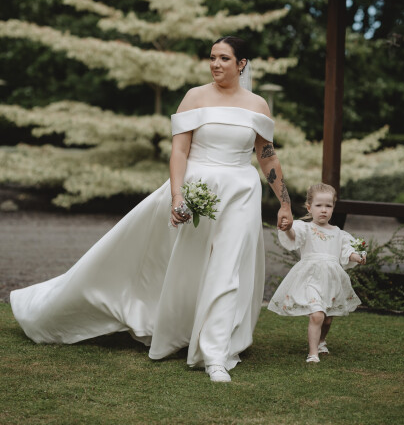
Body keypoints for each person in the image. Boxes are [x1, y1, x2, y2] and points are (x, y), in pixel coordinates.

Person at [10, 35, 293, 383]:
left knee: (228, 266)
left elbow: (267, 156)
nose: (215, 64)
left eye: (223, 58)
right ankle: (172, 327)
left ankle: (215, 354)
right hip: (197, 188)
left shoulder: (258, 106)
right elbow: (180, 152)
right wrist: (177, 197)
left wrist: (284, 202)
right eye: (212, 57)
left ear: (242, 64)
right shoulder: (195, 97)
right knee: (182, 267)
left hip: (241, 193)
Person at [268, 182, 366, 363]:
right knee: (317, 314)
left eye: (328, 206)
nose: (323, 210)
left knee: (327, 319)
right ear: (309, 208)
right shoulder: (305, 228)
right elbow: (293, 237)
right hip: (310, 278)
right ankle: (313, 353)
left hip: (332, 280)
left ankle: (321, 341)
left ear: (333, 208)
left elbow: (347, 251)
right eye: (319, 205)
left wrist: (357, 256)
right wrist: (288, 228)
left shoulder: (338, 233)